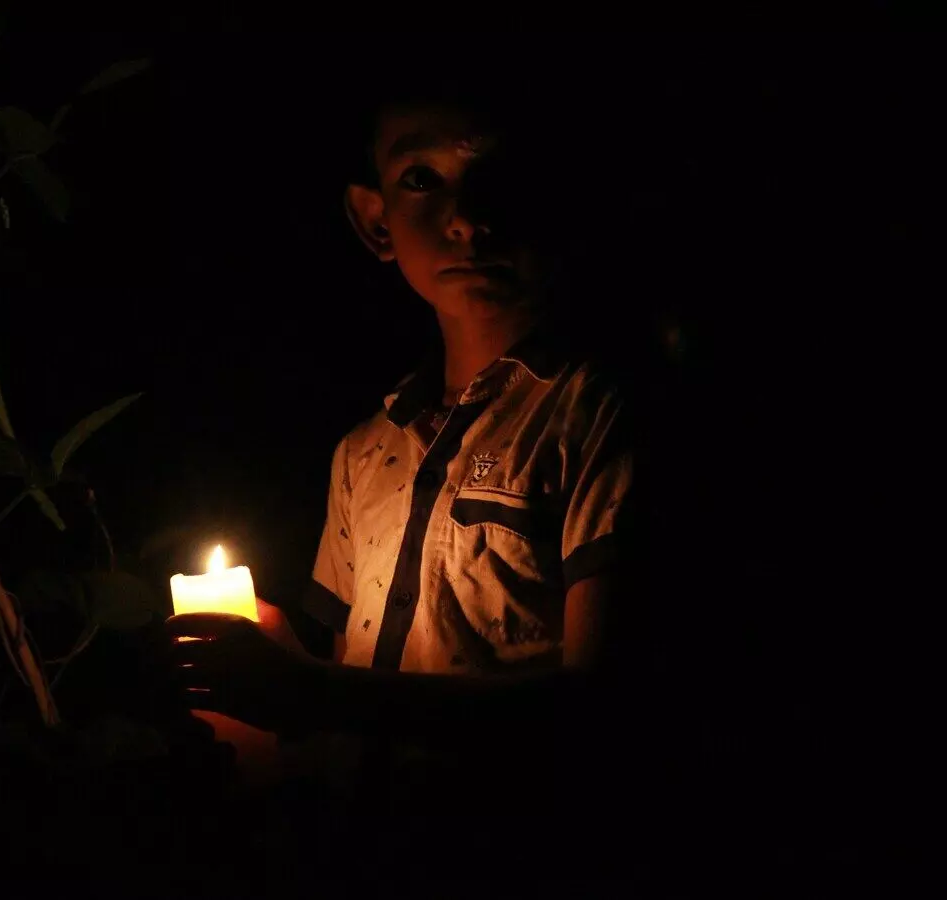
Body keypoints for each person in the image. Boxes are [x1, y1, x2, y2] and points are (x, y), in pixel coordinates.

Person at [167, 80, 637, 890]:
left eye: (504, 176)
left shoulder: (600, 415)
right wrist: (272, 683)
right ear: (373, 219)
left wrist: (315, 694)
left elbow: (606, 714)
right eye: (422, 179)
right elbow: (336, 680)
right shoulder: (365, 453)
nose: (468, 219)